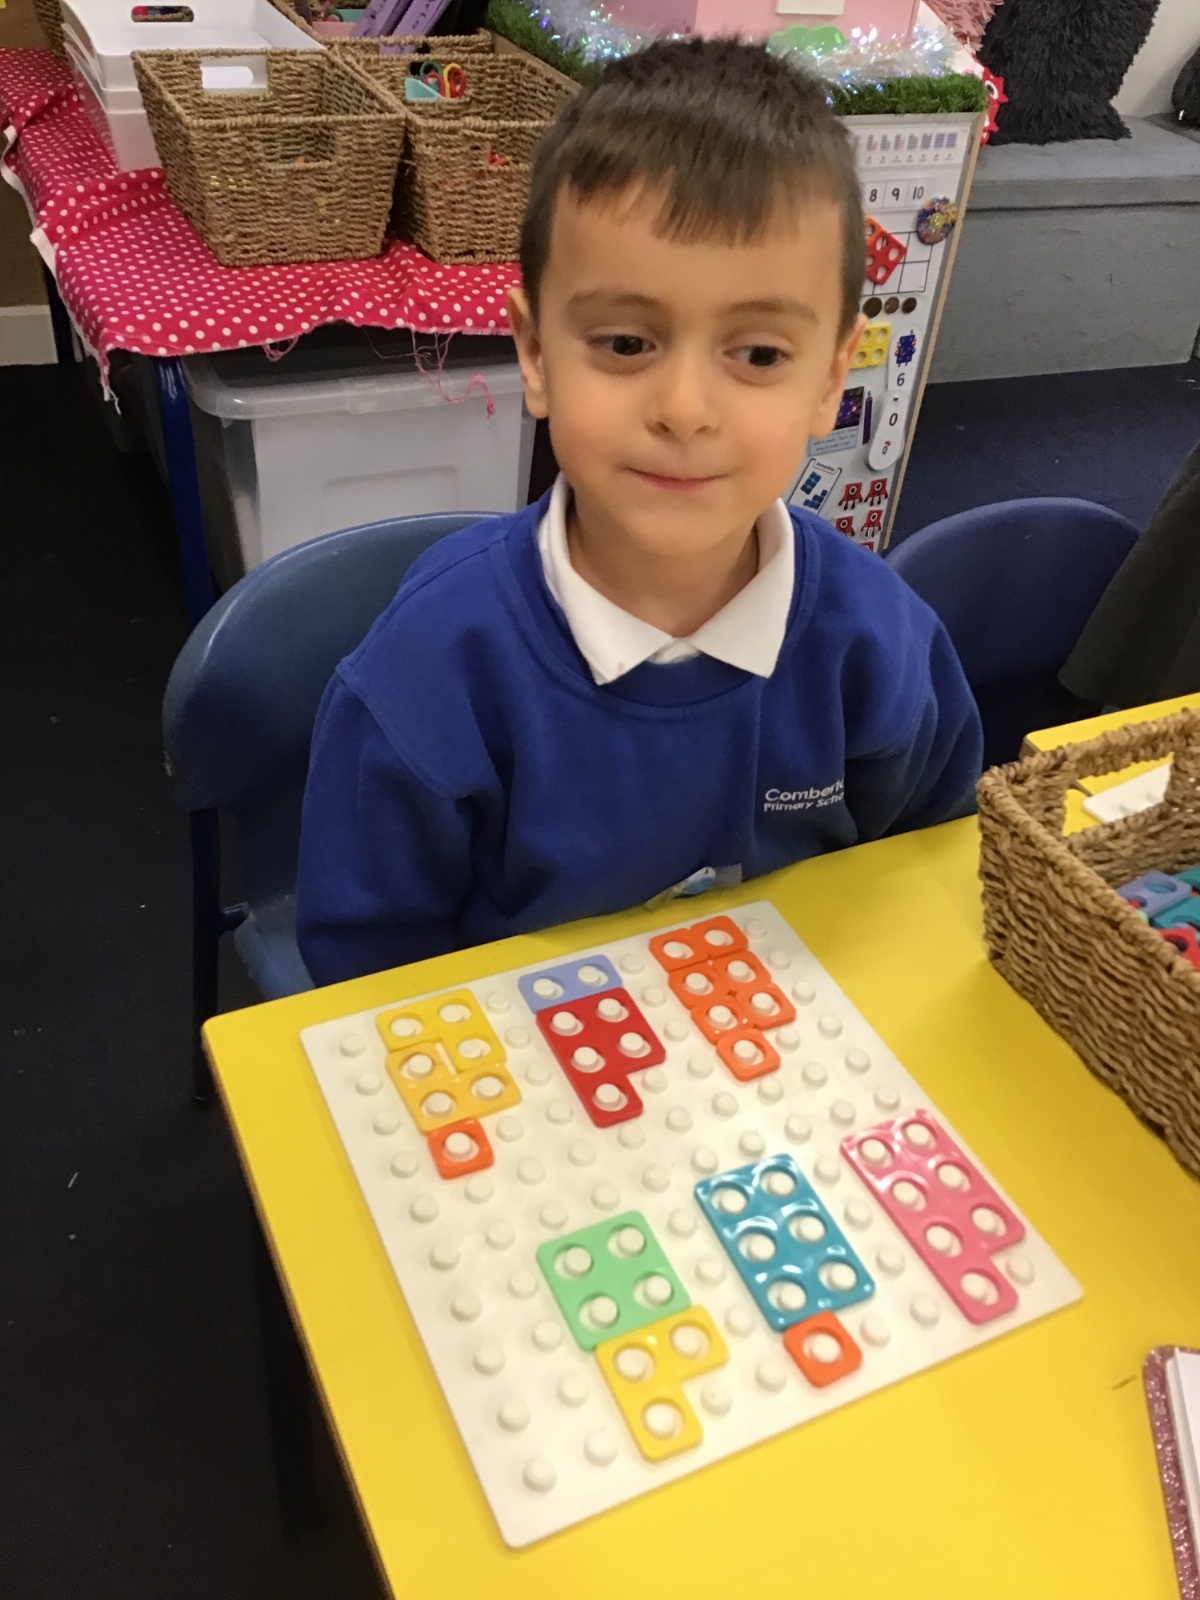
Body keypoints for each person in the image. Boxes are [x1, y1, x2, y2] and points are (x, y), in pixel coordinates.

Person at [296, 37, 982, 986]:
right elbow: (367, 969)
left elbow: (936, 872)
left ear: (832, 379)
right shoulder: (433, 667)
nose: (685, 410)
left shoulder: (880, 642)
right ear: (536, 355)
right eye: (626, 343)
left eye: (758, 355)